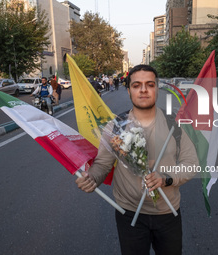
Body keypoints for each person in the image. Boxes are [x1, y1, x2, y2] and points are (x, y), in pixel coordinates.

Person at [76, 65, 199, 255]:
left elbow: (191, 164)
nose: (143, 90)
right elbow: (102, 164)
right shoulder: (116, 126)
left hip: (168, 213)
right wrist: (92, 178)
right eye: (136, 85)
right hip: (129, 214)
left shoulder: (174, 124)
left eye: (149, 84)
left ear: (157, 89)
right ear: (128, 90)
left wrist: (165, 178)